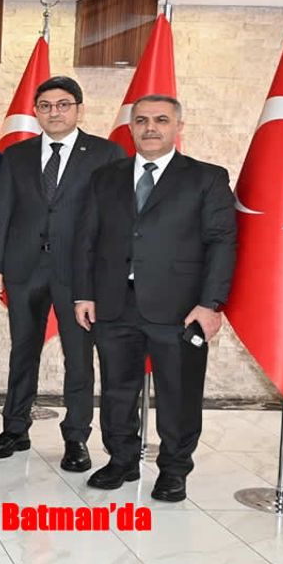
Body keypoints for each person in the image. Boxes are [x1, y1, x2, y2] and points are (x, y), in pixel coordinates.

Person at [73, 94, 236, 502]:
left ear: (178, 126)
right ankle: (121, 460)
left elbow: (221, 243)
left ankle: (174, 470)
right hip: (114, 302)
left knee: (178, 393)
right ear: (131, 127)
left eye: (161, 120)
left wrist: (210, 304)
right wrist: (84, 294)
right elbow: (87, 239)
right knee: (116, 389)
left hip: (181, 309)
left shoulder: (206, 178)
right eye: (142, 120)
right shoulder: (105, 177)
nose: (150, 128)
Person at [0, 76, 125, 468]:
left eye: (63, 105)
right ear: (36, 112)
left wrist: (106, 275)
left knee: (78, 358)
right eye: (45, 106)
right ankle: (15, 428)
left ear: (79, 109)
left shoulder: (106, 153)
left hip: (79, 274)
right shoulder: (16, 154)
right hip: (23, 268)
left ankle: (76, 438)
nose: (54, 112)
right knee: (22, 352)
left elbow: (114, 219)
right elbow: (1, 212)